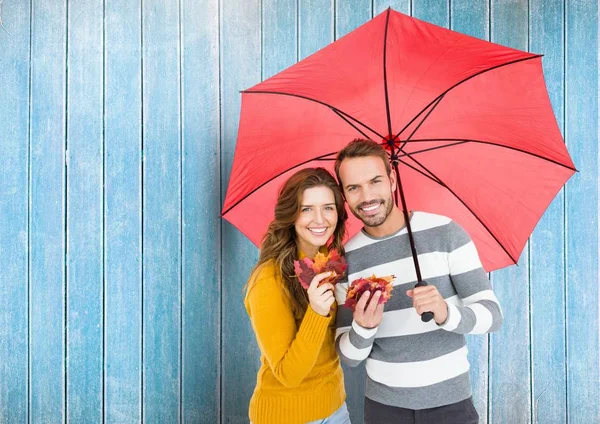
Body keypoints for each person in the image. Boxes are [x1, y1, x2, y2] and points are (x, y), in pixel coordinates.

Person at [333, 139, 503, 423]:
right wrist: (363, 327)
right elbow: (349, 356)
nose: (367, 196)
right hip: (383, 410)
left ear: (392, 179)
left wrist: (445, 313)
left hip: (452, 407)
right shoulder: (345, 260)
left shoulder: (445, 233)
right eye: (354, 187)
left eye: (375, 181)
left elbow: (493, 316)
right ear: (344, 195)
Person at [245, 167, 351, 424]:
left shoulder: (332, 263)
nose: (320, 219)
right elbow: (288, 374)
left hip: (336, 409)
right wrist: (317, 312)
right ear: (290, 215)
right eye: (307, 209)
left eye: (328, 207)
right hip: (287, 416)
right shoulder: (269, 279)